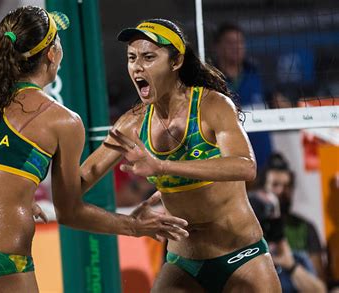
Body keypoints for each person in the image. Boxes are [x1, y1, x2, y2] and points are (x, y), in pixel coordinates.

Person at [0, 6, 188, 293]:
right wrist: (133, 225)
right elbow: (69, 212)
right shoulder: (61, 119)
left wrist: (14, 192)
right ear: (51, 54)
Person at [78, 18, 281, 292]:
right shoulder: (132, 123)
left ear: (175, 63)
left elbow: (246, 167)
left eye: (148, 57)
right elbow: (79, 181)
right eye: (131, 58)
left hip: (241, 255)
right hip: (185, 263)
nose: (137, 66)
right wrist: (26, 190)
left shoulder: (212, 105)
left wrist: (162, 166)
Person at [249, 153, 326, 292]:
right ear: (262, 189)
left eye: (287, 186)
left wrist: (289, 263)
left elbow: (319, 283)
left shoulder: (305, 227)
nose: (281, 191)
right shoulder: (249, 227)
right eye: (275, 185)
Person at [213, 22, 272, 172]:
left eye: (240, 42)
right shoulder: (209, 80)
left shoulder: (257, 74)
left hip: (262, 161)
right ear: (218, 47)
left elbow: (277, 101)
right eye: (230, 43)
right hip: (228, 162)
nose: (236, 47)